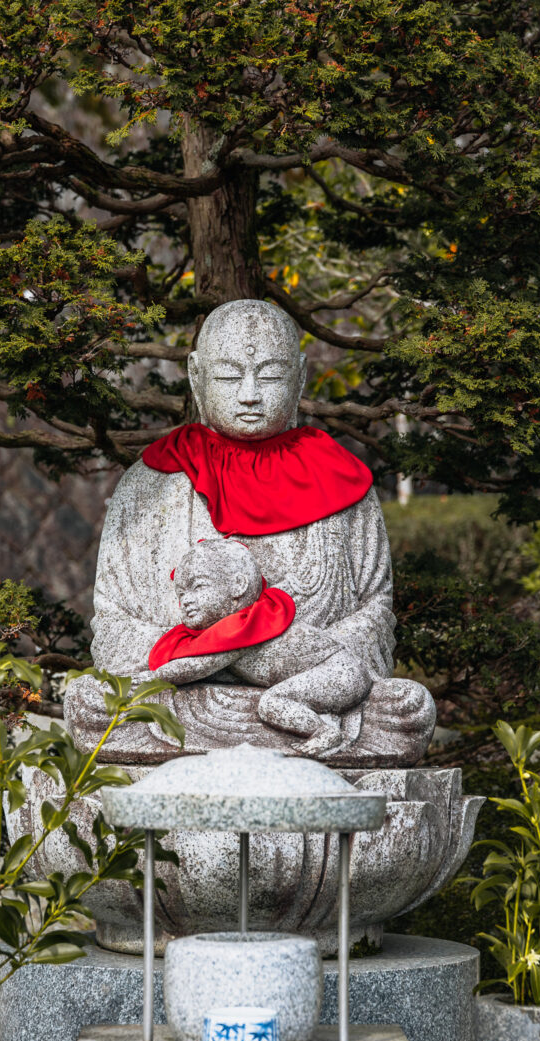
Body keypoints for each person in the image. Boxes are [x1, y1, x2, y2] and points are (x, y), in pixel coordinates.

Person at [64, 298, 435, 765]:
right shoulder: (149, 485)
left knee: (406, 710)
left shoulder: (346, 486)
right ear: (196, 377)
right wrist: (212, 657)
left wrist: (302, 656)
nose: (249, 395)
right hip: (184, 700)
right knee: (90, 702)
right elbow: (113, 623)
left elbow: (376, 613)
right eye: (227, 376)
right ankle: (283, 733)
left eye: (271, 376)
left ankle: (280, 723)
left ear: (300, 377)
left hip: (308, 690)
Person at [148, 538, 373, 757]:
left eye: (198, 587)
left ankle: (324, 732)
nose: (186, 600)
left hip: (340, 673)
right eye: (181, 594)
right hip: (336, 670)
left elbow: (194, 668)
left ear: (239, 585)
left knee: (272, 704)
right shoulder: (231, 628)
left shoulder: (245, 626)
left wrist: (154, 677)